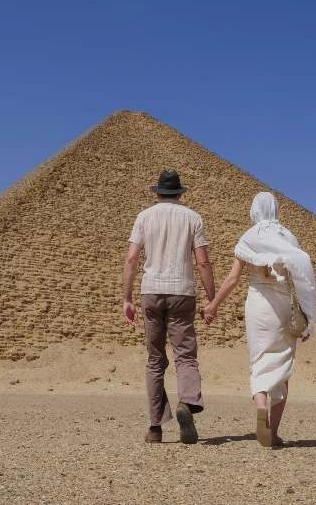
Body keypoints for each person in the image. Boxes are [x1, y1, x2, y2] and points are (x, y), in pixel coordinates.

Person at [203, 192, 316, 447]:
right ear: (276, 209)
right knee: (282, 367)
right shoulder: (288, 237)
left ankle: (260, 405)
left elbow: (233, 279)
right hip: (283, 306)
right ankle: (272, 433)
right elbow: (303, 280)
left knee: (258, 362)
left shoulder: (249, 237)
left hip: (258, 305)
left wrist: (212, 306)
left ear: (254, 210)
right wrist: (309, 319)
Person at [123, 170, 216, 444]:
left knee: (154, 360)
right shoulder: (192, 218)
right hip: (182, 293)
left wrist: (126, 299)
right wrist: (212, 299)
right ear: (180, 193)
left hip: (151, 291)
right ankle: (186, 403)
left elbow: (131, 259)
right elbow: (202, 262)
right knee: (185, 356)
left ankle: (155, 428)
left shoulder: (144, 217)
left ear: (157, 193)